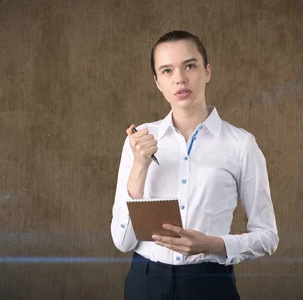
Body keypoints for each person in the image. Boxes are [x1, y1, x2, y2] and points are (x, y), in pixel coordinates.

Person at [110, 30, 279, 300]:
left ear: (207, 71)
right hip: (146, 282)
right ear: (157, 82)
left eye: (190, 65)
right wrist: (140, 165)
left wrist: (214, 245)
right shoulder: (139, 140)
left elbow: (268, 237)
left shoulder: (241, 144)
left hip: (210, 283)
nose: (180, 78)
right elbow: (122, 242)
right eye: (167, 71)